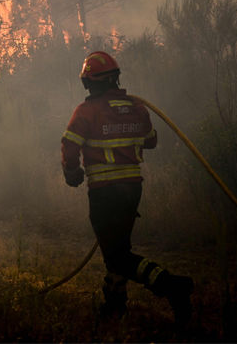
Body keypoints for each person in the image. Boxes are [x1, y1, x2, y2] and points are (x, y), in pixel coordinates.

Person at [61, 51, 194, 326]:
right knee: (119, 248)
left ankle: (170, 285)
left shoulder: (87, 111)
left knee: (117, 255)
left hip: (104, 192)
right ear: (115, 78)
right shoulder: (137, 107)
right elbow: (151, 141)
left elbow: (70, 144)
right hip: (132, 190)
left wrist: (72, 173)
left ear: (90, 84)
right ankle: (115, 305)